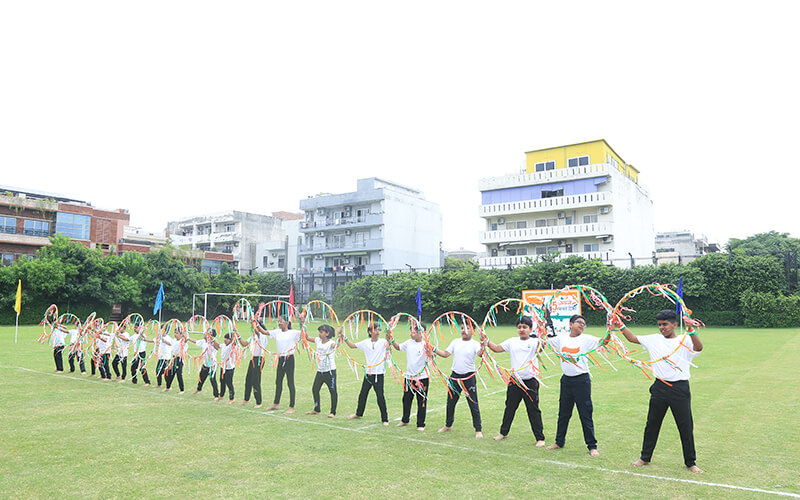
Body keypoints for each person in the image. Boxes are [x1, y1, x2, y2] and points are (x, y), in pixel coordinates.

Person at [615, 309, 704, 473]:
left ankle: (690, 462)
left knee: (685, 426)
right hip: (659, 387)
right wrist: (619, 325)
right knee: (652, 424)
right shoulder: (654, 339)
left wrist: (691, 330)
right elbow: (632, 338)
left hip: (679, 388)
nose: (662, 328)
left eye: (665, 324)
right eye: (660, 325)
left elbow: (699, 347)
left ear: (674, 324)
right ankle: (644, 457)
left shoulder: (685, 339)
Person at [545, 314, 605, 456]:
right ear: (571, 324)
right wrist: (541, 330)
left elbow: (604, 342)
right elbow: (545, 342)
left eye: (584, 324)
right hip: (566, 381)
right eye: (579, 322)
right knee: (563, 413)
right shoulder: (562, 338)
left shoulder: (586, 339)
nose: (581, 325)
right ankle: (559, 441)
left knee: (585, 414)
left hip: (581, 381)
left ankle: (592, 446)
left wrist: (611, 330)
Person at [486, 316, 545, 445]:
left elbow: (541, 348)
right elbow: (496, 348)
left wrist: (543, 333)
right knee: (510, 407)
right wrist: (486, 341)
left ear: (530, 329)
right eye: (519, 327)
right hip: (515, 381)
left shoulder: (535, 342)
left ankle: (540, 438)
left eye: (525, 327)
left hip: (530, 381)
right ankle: (503, 432)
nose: (521, 329)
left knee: (533, 409)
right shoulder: (512, 341)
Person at [432, 323, 484, 438]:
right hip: (455, 376)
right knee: (450, 402)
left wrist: (483, 344)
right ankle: (448, 424)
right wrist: (433, 349)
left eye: (467, 328)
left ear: (473, 330)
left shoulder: (475, 344)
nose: (464, 330)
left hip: (469, 377)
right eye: (462, 328)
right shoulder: (455, 342)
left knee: (473, 403)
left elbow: (480, 354)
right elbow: (446, 354)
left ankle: (478, 429)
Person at [253, 314, 304, 414]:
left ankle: (291, 406)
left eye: (281, 321)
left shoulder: (293, 333)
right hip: (280, 359)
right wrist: (256, 323)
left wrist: (302, 323)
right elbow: (264, 332)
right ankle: (276, 403)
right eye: (278, 321)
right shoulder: (276, 332)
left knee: (290, 382)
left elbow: (303, 334)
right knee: (278, 381)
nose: (279, 323)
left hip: (289, 359)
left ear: (287, 323)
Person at [342, 322, 389, 425]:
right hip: (368, 374)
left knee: (380, 396)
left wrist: (389, 329)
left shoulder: (383, 342)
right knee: (363, 394)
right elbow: (352, 346)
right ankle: (358, 413)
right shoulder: (365, 342)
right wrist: (344, 337)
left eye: (379, 330)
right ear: (370, 332)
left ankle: (385, 419)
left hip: (378, 374)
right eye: (375, 329)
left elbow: (389, 340)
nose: (378, 332)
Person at [388, 321, 429, 431]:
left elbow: (432, 355)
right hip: (409, 377)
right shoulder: (409, 343)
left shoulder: (426, 344)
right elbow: (398, 347)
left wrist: (430, 352)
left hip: (422, 378)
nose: (412, 333)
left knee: (422, 401)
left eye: (414, 331)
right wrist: (390, 338)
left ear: (421, 332)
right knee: (406, 399)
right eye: (411, 331)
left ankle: (421, 424)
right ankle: (405, 420)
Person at [304, 324, 338, 418]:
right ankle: (317, 409)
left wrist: (340, 337)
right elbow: (307, 337)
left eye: (321, 332)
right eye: (319, 332)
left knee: (333, 391)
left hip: (330, 371)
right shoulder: (318, 340)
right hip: (320, 371)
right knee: (315, 389)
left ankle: (333, 412)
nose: (319, 333)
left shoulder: (331, 343)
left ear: (327, 333)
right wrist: (303, 324)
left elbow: (335, 345)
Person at [240, 320, 271, 408]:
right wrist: (237, 335)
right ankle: (246, 399)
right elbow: (244, 344)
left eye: (253, 327)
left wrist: (254, 324)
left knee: (256, 381)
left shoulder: (262, 335)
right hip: (253, 359)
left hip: (259, 360)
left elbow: (257, 332)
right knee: (248, 379)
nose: (252, 328)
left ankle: (259, 402)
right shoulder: (252, 336)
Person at [189, 329, 220, 398]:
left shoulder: (213, 343)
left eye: (206, 333)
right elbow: (196, 341)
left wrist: (212, 339)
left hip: (212, 365)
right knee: (201, 377)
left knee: (212, 379)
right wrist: (188, 338)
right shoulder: (203, 342)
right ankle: (198, 389)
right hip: (205, 364)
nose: (204, 334)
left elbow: (218, 346)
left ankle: (216, 395)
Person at [218, 333, 237, 404]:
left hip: (229, 368)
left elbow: (234, 341)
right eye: (225, 338)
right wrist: (211, 339)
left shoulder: (232, 346)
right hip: (223, 367)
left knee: (229, 383)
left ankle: (232, 398)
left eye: (227, 339)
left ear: (230, 340)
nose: (225, 340)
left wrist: (234, 333)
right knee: (222, 381)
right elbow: (217, 345)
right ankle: (221, 395)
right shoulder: (223, 345)